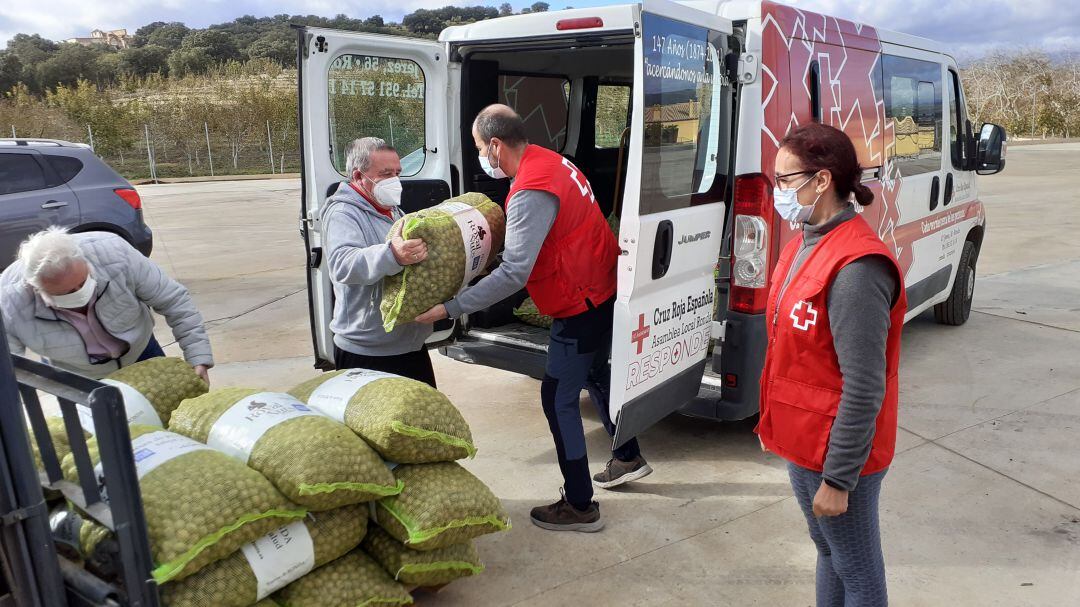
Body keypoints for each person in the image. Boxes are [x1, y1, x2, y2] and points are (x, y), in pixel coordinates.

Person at [415, 104, 651, 532]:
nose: (481, 158)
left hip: (579, 302)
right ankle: (628, 456)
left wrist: (451, 307)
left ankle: (580, 505)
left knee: (557, 398)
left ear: (495, 144)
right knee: (597, 373)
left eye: (479, 148)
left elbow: (514, 272)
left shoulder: (530, 188)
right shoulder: (552, 160)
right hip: (602, 288)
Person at [756, 123, 907, 607]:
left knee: (858, 570)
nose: (777, 190)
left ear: (821, 181)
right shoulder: (806, 241)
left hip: (839, 457)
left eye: (784, 179)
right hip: (804, 441)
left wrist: (839, 480)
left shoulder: (857, 269)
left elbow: (864, 388)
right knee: (829, 552)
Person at [1, 227, 213, 382]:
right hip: (77, 376)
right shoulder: (9, 301)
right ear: (36, 288)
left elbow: (174, 301)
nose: (78, 294)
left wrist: (198, 358)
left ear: (85, 262)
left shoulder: (114, 254)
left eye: (82, 283)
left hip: (141, 354)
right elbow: (9, 371)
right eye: (65, 293)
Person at [321, 137, 437, 387]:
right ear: (359, 176)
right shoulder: (343, 213)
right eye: (385, 173)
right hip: (367, 351)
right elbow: (343, 264)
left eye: (397, 172)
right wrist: (392, 255)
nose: (394, 180)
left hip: (408, 345)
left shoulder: (392, 209)